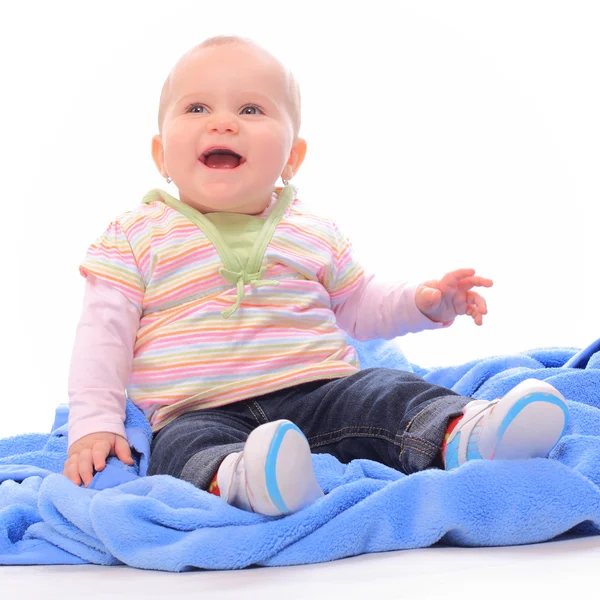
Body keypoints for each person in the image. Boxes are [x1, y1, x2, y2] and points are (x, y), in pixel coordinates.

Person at [63, 35, 569, 517]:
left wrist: (424, 302)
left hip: (319, 390)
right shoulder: (135, 235)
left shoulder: (312, 230)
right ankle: (246, 480)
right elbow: (103, 338)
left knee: (387, 391)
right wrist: (96, 423)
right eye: (197, 109)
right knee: (180, 450)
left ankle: (468, 433)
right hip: (198, 409)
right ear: (161, 155)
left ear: (291, 158)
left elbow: (361, 302)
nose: (221, 124)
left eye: (250, 109)